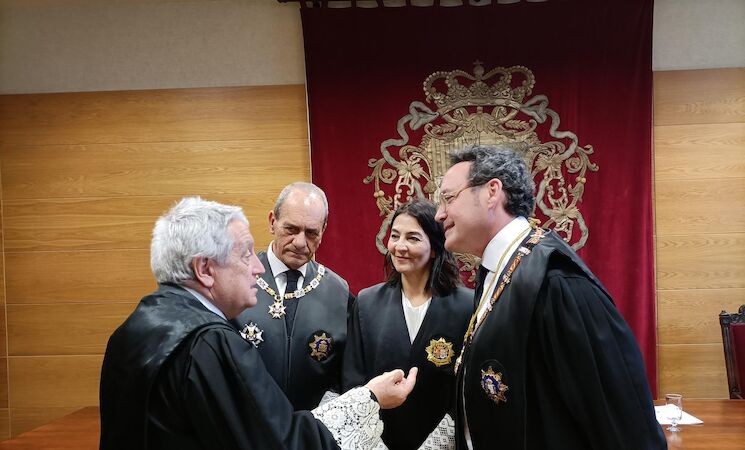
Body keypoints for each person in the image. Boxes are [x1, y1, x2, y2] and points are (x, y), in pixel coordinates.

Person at [99, 197, 417, 450]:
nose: (258, 267)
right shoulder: (209, 343)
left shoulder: (138, 324)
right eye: (245, 254)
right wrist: (369, 398)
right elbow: (280, 442)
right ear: (204, 269)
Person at [434, 145, 667, 450]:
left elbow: (621, 422)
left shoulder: (554, 281)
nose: (439, 214)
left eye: (449, 198)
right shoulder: (499, 272)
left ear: (492, 192)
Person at [343, 199, 473, 450]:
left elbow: (468, 388)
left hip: (443, 443)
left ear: (435, 248)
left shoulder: (466, 306)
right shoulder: (367, 303)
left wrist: (438, 444)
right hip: (377, 441)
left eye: (412, 238)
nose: (399, 246)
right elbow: (352, 381)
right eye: (395, 236)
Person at [230, 182, 354, 410]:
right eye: (291, 229)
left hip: (313, 424)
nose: (300, 242)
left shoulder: (338, 292)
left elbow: (347, 371)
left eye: (311, 233)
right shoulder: (235, 280)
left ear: (323, 231)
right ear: (272, 222)